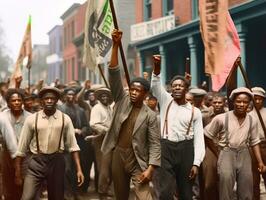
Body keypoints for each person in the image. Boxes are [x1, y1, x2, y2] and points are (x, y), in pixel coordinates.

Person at [101, 29, 161, 200]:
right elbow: (113, 72)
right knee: (120, 195)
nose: (133, 92)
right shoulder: (121, 99)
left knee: (145, 197)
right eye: (132, 89)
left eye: (138, 90)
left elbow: (155, 144)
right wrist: (115, 45)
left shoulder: (150, 115)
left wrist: (151, 168)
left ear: (145, 94)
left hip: (138, 159)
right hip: (118, 154)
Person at [151, 55, 205, 200]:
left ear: (186, 89)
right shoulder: (165, 101)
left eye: (180, 85)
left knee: (186, 191)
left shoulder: (195, 112)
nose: (176, 88)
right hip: (166, 148)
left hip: (186, 150)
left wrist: (196, 163)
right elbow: (155, 85)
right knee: (165, 191)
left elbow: (199, 140)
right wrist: (157, 68)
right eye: (174, 86)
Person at [15, 86, 84, 200]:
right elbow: (21, 148)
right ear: (41, 101)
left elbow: (73, 146)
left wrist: (79, 170)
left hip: (56, 161)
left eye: (52, 98)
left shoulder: (64, 119)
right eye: (46, 98)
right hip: (36, 162)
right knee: (27, 197)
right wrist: (18, 171)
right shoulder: (32, 119)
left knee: (56, 197)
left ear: (57, 100)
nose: (49, 101)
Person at [204, 87, 266, 200]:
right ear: (233, 102)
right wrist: (218, 152)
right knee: (226, 186)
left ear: (249, 103)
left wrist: (260, 162)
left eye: (245, 102)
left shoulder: (252, 120)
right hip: (227, 152)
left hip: (244, 153)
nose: (241, 104)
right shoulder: (221, 118)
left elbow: (254, 141)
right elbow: (207, 135)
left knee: (246, 186)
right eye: (238, 101)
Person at [59, 87, 90, 198]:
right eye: (69, 95)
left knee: (79, 167)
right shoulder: (60, 110)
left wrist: (81, 131)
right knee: (67, 169)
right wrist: (70, 130)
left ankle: (77, 191)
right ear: (65, 96)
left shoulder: (80, 110)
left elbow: (87, 126)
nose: (71, 97)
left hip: (79, 142)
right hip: (65, 143)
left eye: (73, 95)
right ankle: (67, 193)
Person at [90, 87, 113, 200]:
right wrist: (106, 130)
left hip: (110, 140)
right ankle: (102, 192)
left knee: (110, 167)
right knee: (103, 168)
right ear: (99, 98)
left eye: (106, 96)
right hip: (101, 139)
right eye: (102, 96)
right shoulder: (97, 108)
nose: (104, 98)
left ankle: (107, 189)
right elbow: (93, 124)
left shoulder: (109, 108)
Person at [250, 87, 266, 200]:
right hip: (252, 148)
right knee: (254, 178)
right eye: (255, 98)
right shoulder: (248, 115)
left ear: (263, 100)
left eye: (259, 99)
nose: (257, 101)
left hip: (265, 146)